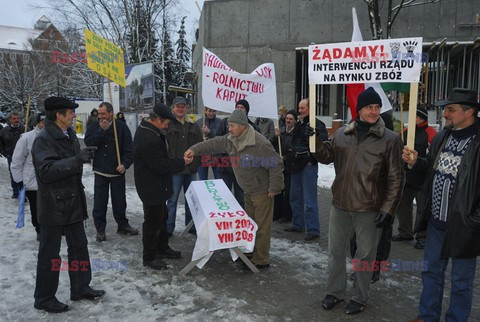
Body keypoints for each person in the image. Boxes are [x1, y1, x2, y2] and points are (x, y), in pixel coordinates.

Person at [315, 87, 404, 315]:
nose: (374, 111)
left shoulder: (390, 139)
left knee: (364, 256)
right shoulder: (342, 134)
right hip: (340, 205)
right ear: (359, 110)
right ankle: (334, 292)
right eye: (369, 107)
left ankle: (359, 297)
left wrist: (388, 209)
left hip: (368, 207)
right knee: (335, 252)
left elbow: (396, 177)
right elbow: (324, 156)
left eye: (377, 107)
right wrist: (313, 138)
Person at [404, 88, 480, 322]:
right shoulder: (442, 136)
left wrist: (474, 219)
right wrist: (417, 162)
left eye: (450, 109)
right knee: (430, 272)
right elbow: (431, 170)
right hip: (436, 222)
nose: (444, 114)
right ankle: (427, 316)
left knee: (460, 281)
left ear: (469, 112)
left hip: (464, 226)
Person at [185, 109, 284, 270]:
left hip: (262, 191)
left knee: (262, 227)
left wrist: (275, 188)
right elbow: (213, 144)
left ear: (243, 127)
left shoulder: (259, 144)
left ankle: (261, 259)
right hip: (247, 189)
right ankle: (250, 252)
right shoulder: (231, 139)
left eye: (232, 125)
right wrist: (194, 150)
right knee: (250, 226)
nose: (228, 128)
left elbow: (276, 165)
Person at [32, 97, 105, 313]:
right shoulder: (43, 139)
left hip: (73, 201)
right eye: (70, 112)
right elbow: (45, 172)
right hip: (53, 205)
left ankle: (81, 287)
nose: (74, 115)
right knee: (50, 254)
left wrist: (82, 157)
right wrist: (77, 160)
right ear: (59, 115)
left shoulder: (69, 134)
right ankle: (44, 298)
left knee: (79, 248)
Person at [134, 103, 193, 270]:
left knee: (162, 218)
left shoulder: (152, 131)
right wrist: (182, 161)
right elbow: (160, 165)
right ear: (158, 120)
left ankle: (163, 247)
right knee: (152, 223)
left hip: (158, 186)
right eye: (166, 122)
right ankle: (150, 257)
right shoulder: (148, 137)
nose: (168, 126)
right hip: (151, 187)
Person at [84, 102, 137, 241]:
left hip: (117, 171)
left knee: (120, 201)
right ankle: (100, 229)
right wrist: (101, 131)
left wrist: (125, 164)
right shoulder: (94, 126)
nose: (100, 116)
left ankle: (122, 225)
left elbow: (129, 150)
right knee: (100, 203)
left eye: (103, 114)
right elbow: (89, 143)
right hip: (100, 171)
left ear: (111, 113)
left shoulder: (122, 127)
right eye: (99, 113)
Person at [392, 105, 436, 249]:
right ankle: (405, 232)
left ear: (421, 118)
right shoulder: (405, 132)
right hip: (406, 177)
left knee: (423, 209)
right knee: (403, 206)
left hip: (423, 179)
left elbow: (434, 157)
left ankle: (423, 236)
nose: (411, 119)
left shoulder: (431, 133)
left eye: (414, 117)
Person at [284, 98, 328, 241]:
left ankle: (313, 229)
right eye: (299, 107)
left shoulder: (317, 124)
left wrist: (316, 135)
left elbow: (324, 146)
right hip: (296, 166)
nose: (300, 110)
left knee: (310, 200)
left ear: (310, 108)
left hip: (308, 166)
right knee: (294, 197)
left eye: (303, 108)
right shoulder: (299, 124)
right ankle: (298, 224)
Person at [165, 96, 202, 235]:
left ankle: (190, 225)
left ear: (186, 108)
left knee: (191, 200)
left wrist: (196, 163)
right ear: (173, 109)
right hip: (175, 169)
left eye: (183, 106)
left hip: (191, 170)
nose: (180, 109)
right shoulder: (168, 125)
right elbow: (165, 147)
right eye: (177, 106)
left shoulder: (193, 125)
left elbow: (200, 146)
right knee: (172, 200)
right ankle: (169, 228)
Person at [216, 99, 260, 208]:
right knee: (224, 197)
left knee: (241, 198)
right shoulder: (225, 122)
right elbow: (217, 142)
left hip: (243, 170)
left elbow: (257, 148)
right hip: (226, 167)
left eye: (242, 107)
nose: (239, 109)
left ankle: (241, 222)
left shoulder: (253, 127)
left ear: (247, 111)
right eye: (237, 107)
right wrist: (221, 158)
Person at [11, 113, 45, 241]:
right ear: (37, 123)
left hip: (49, 180)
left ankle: (52, 228)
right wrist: (19, 180)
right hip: (32, 181)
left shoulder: (54, 137)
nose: (44, 125)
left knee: (51, 207)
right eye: (42, 122)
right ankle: (39, 229)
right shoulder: (26, 138)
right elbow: (17, 161)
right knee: (36, 208)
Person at [271, 110, 297, 222]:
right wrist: (275, 137)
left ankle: (287, 215)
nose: (288, 121)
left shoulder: (296, 133)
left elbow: (295, 150)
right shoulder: (280, 132)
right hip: (279, 167)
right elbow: (271, 144)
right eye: (287, 118)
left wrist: (285, 158)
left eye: (291, 119)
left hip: (290, 166)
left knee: (288, 191)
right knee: (278, 191)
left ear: (295, 120)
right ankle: (277, 213)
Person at [0, 111, 25, 198]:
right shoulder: (4, 131)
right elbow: (1, 143)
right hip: (11, 155)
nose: (16, 120)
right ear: (10, 119)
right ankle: (16, 192)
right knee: (13, 174)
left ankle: (23, 193)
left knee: (23, 174)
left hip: (23, 156)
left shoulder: (24, 129)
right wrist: (5, 153)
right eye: (14, 118)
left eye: (18, 118)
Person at [196, 107, 222, 180]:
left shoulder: (220, 122)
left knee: (219, 180)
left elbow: (221, 136)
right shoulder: (199, 122)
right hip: (202, 156)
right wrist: (200, 139)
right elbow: (194, 138)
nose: (211, 113)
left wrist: (209, 131)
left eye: (214, 111)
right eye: (209, 111)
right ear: (205, 111)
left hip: (216, 155)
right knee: (203, 181)